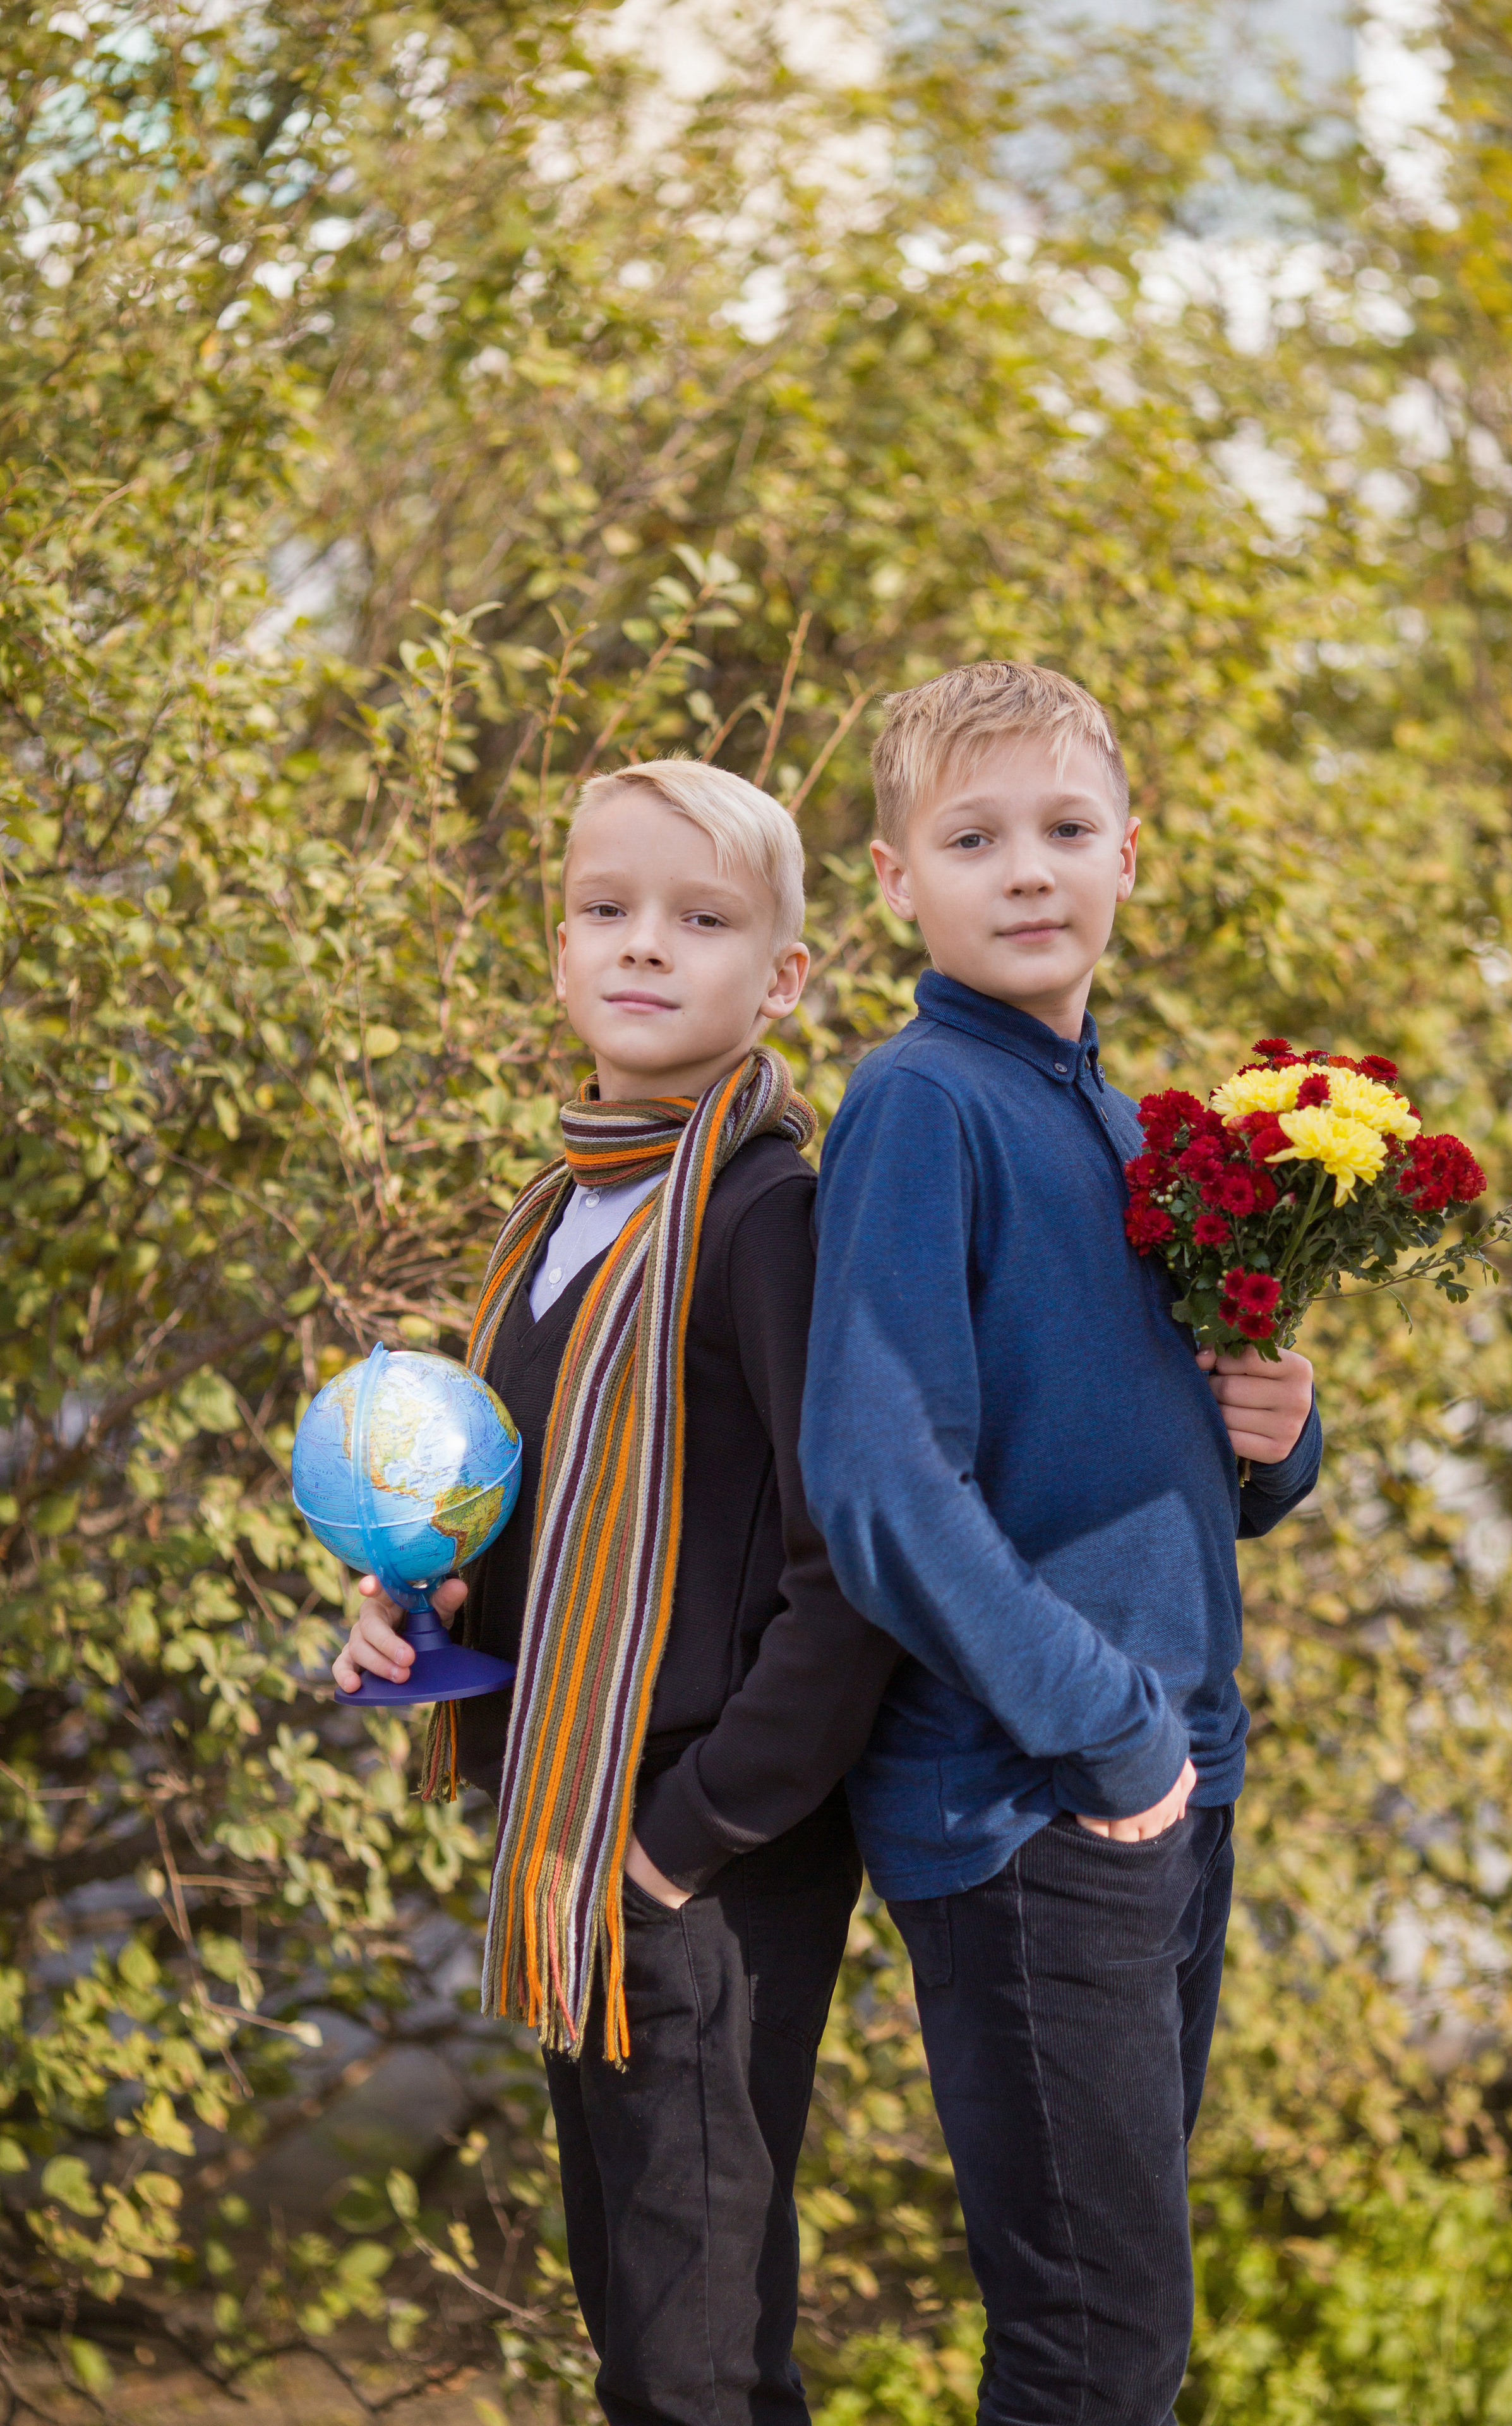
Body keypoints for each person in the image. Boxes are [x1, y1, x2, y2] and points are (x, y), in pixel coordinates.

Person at [333, 760, 899, 2426]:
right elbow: (523, 1527)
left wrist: (685, 1840)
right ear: (561, 950)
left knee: (696, 2360)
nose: (645, 946)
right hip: (583, 1846)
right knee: (643, 2341)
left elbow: (844, 1577)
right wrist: (411, 1617)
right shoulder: (562, 1218)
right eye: (607, 909)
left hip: (698, 1866)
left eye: (702, 919)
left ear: (780, 975)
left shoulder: (766, 1213)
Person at [799, 662, 1324, 2426]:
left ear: (1126, 854)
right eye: (974, 838)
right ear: (894, 880)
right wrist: (1108, 1735)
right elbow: (881, 1481)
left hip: (1166, 1782)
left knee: (1125, 2340)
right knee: (1091, 2350)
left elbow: (1114, 1441)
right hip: (1033, 1802)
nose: (1027, 871)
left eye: (1064, 830)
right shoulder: (921, 1104)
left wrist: (1281, 1431)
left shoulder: (1120, 1124)